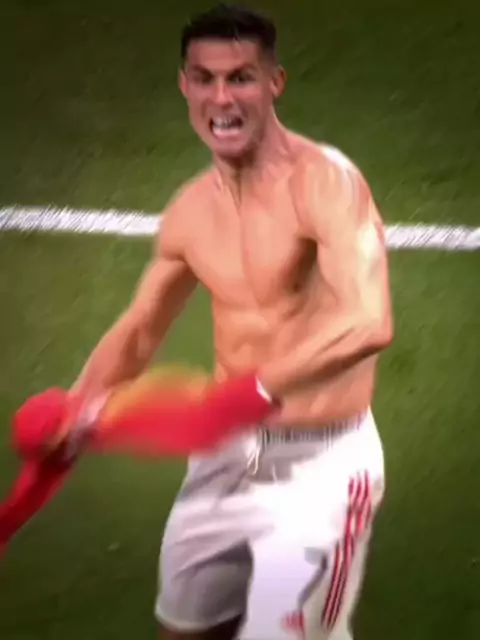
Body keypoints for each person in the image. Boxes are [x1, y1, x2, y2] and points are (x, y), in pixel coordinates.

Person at [69, 4, 393, 639]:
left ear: (274, 83)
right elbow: (140, 329)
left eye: (241, 77)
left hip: (321, 468)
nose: (222, 98)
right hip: (222, 457)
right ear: (185, 85)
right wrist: (76, 407)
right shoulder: (190, 211)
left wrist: (256, 389)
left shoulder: (325, 184)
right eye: (205, 78)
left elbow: (368, 320)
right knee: (185, 631)